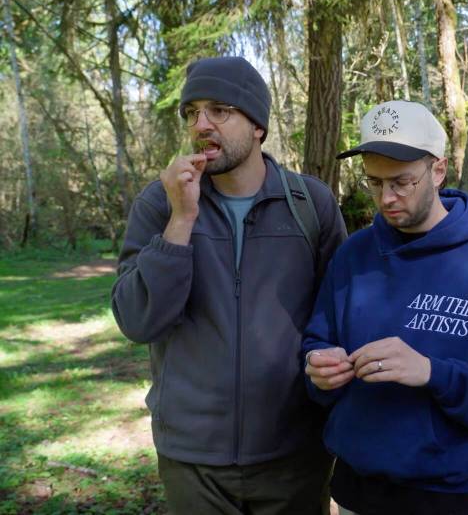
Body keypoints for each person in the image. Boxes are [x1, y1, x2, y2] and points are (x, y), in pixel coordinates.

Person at [112, 56, 346, 514]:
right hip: (192, 459)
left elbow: (340, 316)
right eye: (191, 112)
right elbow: (138, 321)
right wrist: (182, 219)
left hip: (294, 452)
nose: (202, 124)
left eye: (219, 110)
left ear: (257, 124)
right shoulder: (160, 203)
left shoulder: (309, 203)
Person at [301, 100, 468, 515]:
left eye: (402, 182)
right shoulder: (353, 256)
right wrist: (318, 369)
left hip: (451, 498)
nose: (386, 197)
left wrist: (433, 373)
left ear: (438, 170)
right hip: (357, 491)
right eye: (374, 182)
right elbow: (316, 343)